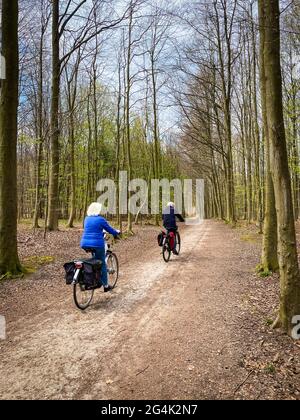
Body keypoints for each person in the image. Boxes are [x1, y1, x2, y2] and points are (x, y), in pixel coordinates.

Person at [80, 203, 120, 292]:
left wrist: (101, 233)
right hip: (97, 244)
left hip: (84, 243)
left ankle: (93, 279)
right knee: (102, 263)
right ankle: (106, 286)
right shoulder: (101, 219)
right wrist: (117, 232)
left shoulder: (86, 219)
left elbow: (92, 230)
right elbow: (110, 230)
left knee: (95, 261)